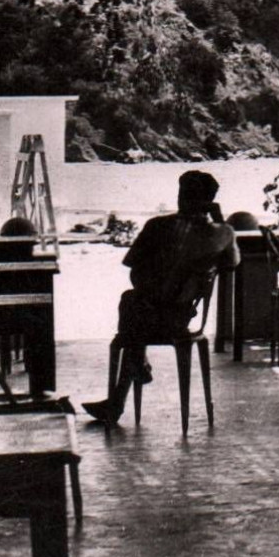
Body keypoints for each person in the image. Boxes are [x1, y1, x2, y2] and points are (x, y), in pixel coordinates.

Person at [83, 171, 239, 424]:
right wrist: (221, 222)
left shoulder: (158, 225)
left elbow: (132, 266)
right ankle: (129, 381)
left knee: (131, 302)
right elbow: (231, 264)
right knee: (134, 310)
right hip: (180, 317)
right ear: (209, 201)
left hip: (147, 309)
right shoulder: (222, 233)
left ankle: (134, 373)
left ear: (180, 196)